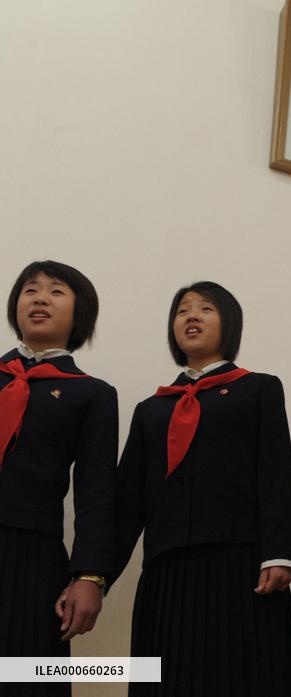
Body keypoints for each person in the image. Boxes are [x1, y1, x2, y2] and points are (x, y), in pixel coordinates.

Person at [113, 281, 291, 697]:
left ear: (229, 323)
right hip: (166, 571)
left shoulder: (260, 388)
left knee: (243, 677)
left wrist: (280, 552)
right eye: (182, 311)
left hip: (242, 567)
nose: (191, 316)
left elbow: (276, 476)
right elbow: (126, 503)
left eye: (205, 308)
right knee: (166, 679)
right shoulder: (151, 409)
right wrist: (93, 577)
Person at [0, 261, 116, 697]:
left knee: (25, 677)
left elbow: (97, 489)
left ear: (80, 314)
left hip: (33, 555)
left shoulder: (92, 394)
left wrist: (90, 576)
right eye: (30, 290)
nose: (40, 298)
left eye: (56, 292)